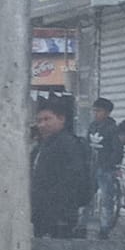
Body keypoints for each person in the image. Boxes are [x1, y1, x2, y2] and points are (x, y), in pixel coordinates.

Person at [31, 99, 87, 238]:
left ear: (61, 119)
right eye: (39, 121)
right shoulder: (42, 146)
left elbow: (75, 177)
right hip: (41, 212)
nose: (42, 124)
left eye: (47, 119)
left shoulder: (67, 144)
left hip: (60, 214)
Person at [87, 97, 122, 239]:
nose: (95, 114)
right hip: (92, 167)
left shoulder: (112, 129)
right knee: (86, 196)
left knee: (107, 199)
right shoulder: (92, 126)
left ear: (107, 112)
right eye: (94, 111)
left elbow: (117, 150)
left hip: (106, 168)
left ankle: (105, 227)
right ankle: (82, 225)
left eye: (99, 111)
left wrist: (111, 165)